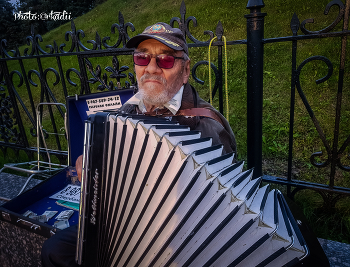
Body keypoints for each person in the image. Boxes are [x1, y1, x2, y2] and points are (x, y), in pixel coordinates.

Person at [41, 22, 236, 267]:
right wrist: (88, 163)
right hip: (121, 222)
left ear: (185, 70)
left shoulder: (207, 126)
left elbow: (218, 214)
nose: (151, 68)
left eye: (165, 60)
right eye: (142, 58)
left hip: (176, 239)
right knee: (55, 251)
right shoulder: (127, 110)